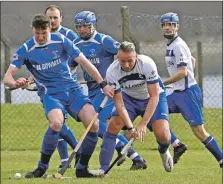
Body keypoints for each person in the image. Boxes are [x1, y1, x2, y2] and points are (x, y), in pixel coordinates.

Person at [3, 14, 114, 178]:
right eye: (37, 33)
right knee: (56, 123)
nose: (40, 37)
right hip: (51, 94)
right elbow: (7, 78)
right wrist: (15, 84)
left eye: (44, 33)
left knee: (94, 125)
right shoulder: (26, 49)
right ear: (33, 30)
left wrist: (102, 84)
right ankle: (41, 168)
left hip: (72, 90)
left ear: (49, 29)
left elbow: (84, 63)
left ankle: (82, 168)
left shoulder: (61, 40)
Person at [71, 10, 147, 170]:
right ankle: (135, 157)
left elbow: (126, 56)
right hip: (91, 90)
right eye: (79, 27)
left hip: (106, 89)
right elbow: (70, 67)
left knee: (95, 124)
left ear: (93, 26)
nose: (82, 30)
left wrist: (127, 76)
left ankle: (130, 154)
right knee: (97, 126)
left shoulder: (103, 40)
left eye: (85, 26)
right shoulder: (76, 45)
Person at [91, 41, 174, 176]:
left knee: (163, 135)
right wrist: (130, 128)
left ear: (136, 57)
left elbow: (154, 97)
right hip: (129, 99)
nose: (127, 65)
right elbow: (120, 104)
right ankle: (103, 169)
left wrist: (143, 124)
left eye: (130, 60)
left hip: (153, 98)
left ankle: (164, 151)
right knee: (113, 125)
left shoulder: (147, 64)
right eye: (123, 61)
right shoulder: (112, 71)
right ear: (118, 58)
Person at [160, 12, 222, 168]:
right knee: (154, 114)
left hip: (188, 93)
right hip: (177, 93)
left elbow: (183, 72)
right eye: (165, 25)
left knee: (199, 132)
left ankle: (221, 160)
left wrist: (163, 83)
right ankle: (177, 145)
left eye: (171, 25)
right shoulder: (172, 44)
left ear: (177, 27)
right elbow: (192, 61)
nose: (168, 28)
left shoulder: (178, 45)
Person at [44, 4, 80, 169]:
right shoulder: (41, 36)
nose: (52, 21)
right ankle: (66, 158)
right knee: (56, 122)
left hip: (67, 87)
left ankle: (75, 152)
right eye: (49, 18)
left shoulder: (70, 35)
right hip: (48, 88)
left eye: (55, 17)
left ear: (60, 18)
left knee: (59, 122)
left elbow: (78, 58)